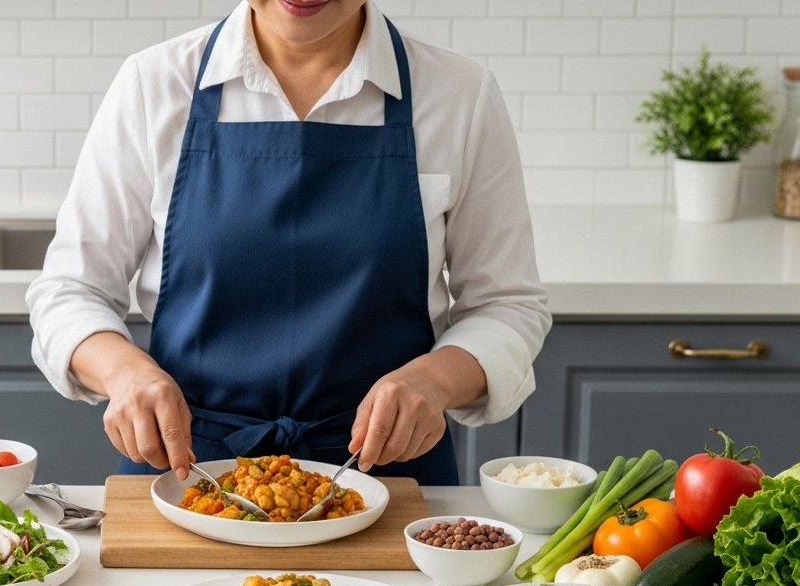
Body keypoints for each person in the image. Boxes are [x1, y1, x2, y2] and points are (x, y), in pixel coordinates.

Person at [27, 0, 550, 486]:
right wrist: (124, 374)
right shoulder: (155, 83)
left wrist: (435, 381)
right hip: (187, 476)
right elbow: (71, 290)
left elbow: (507, 305)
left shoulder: (459, 93)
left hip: (389, 480)